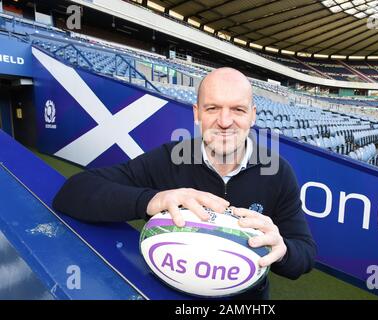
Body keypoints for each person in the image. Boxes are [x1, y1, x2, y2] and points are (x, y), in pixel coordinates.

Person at [53, 67, 317, 299]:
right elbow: (73, 192)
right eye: (212, 108)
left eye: (237, 109)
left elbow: (304, 255)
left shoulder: (278, 172)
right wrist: (153, 200)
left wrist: (281, 250)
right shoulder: (168, 159)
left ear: (252, 115)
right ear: (197, 113)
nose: (225, 122)